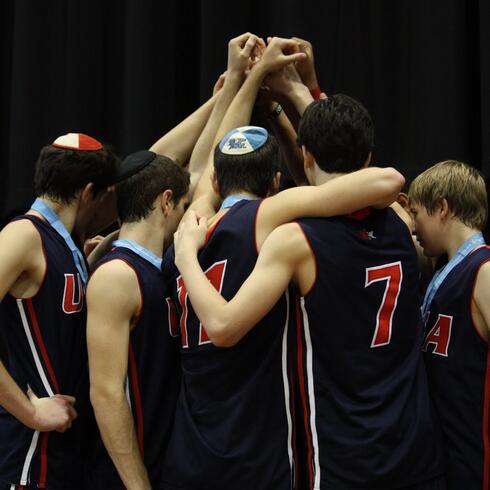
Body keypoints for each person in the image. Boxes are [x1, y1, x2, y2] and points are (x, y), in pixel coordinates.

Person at [161, 37, 408, 490]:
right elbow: (382, 180)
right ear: (276, 183)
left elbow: (206, 164)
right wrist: (291, 89)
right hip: (264, 442)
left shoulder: (193, 221)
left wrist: (245, 82)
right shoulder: (273, 219)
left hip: (194, 436)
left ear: (215, 180)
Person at [0, 133, 118, 490]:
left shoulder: (68, 245)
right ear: (88, 193)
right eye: (106, 197)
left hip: (62, 453)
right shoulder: (25, 234)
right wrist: (31, 413)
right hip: (29, 455)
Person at [86, 151, 189, 490]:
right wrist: (138, 485)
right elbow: (106, 394)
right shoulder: (118, 275)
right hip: (126, 478)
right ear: (166, 201)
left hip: (164, 465)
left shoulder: (159, 268)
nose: (186, 218)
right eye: (184, 207)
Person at [409, 160, 490, 489]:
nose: (413, 226)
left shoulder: (483, 270)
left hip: (477, 458)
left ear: (441, 207)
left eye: (416, 213)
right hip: (447, 457)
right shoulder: (445, 269)